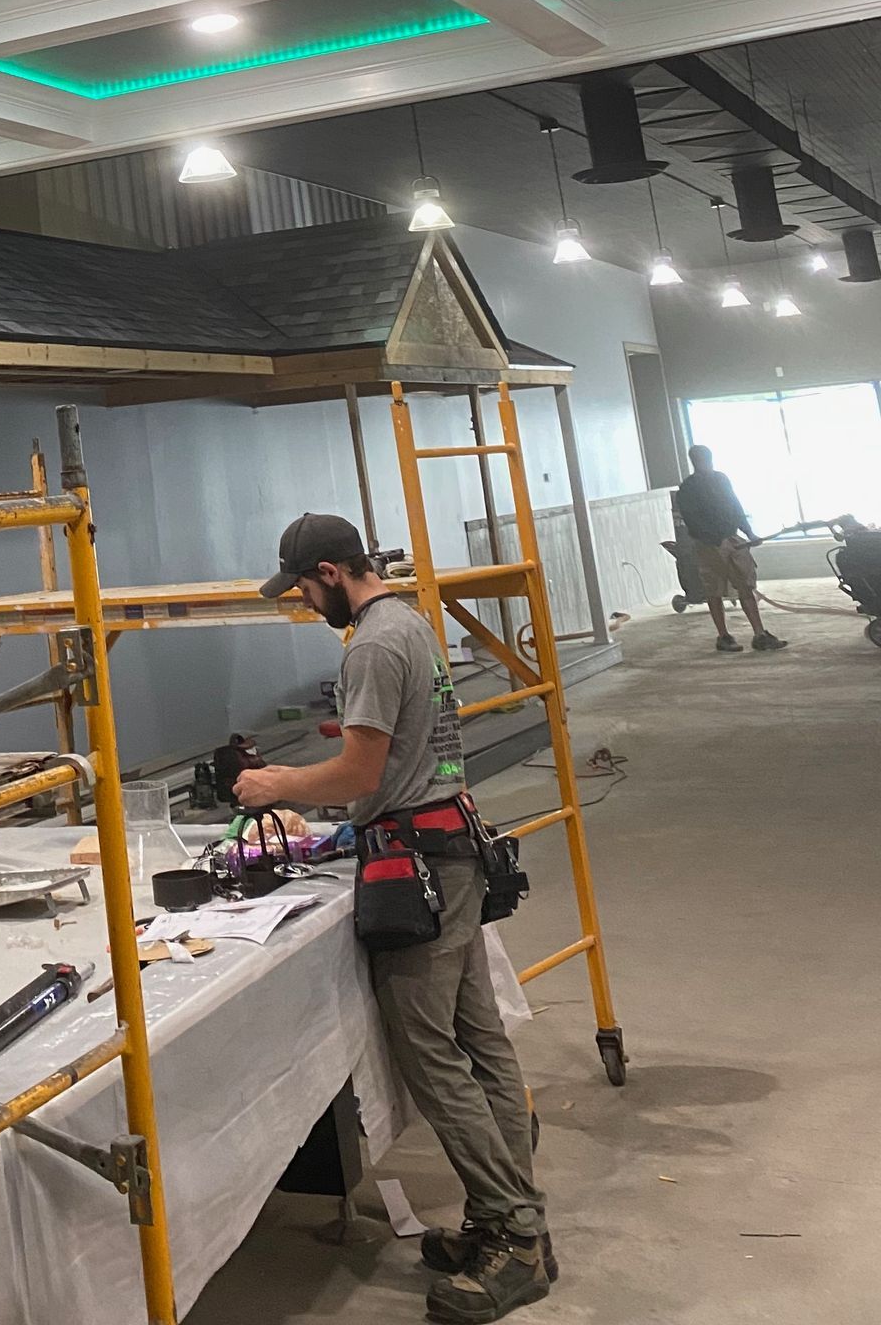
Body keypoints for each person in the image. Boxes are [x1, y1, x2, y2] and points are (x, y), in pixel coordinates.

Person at [236, 513, 551, 1321]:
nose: (305, 602)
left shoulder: (372, 645)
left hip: (422, 871)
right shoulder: (409, 619)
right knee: (479, 1041)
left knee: (432, 1057)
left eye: (304, 587)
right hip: (451, 848)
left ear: (333, 572)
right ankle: (505, 1221)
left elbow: (359, 770)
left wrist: (275, 787)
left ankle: (515, 1238)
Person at [676, 445, 785, 654]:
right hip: (709, 544)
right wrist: (715, 540)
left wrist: (748, 532)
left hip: (732, 538)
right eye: (701, 459)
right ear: (695, 461)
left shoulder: (721, 479)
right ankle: (723, 636)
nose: (706, 463)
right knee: (714, 590)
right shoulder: (688, 489)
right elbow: (692, 520)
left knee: (745, 584)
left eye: (707, 459)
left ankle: (760, 634)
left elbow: (735, 506)